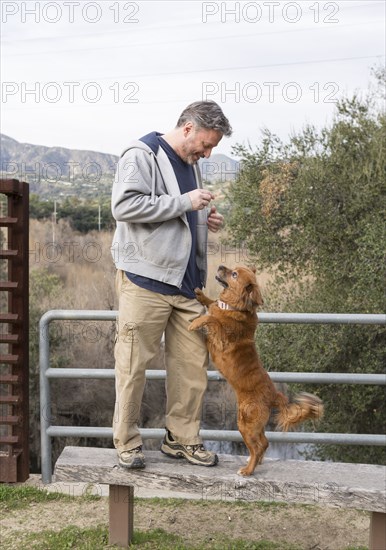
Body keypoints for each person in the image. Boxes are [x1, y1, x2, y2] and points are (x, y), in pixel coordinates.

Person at [111, 100, 232, 469]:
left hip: (188, 288)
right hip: (146, 282)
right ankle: (127, 442)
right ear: (188, 128)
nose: (208, 153)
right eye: (206, 144)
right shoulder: (141, 152)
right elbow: (125, 206)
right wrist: (184, 202)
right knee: (133, 366)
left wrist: (205, 219)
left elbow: (178, 215)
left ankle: (181, 440)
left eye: (213, 148)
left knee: (192, 369)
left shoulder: (191, 165)